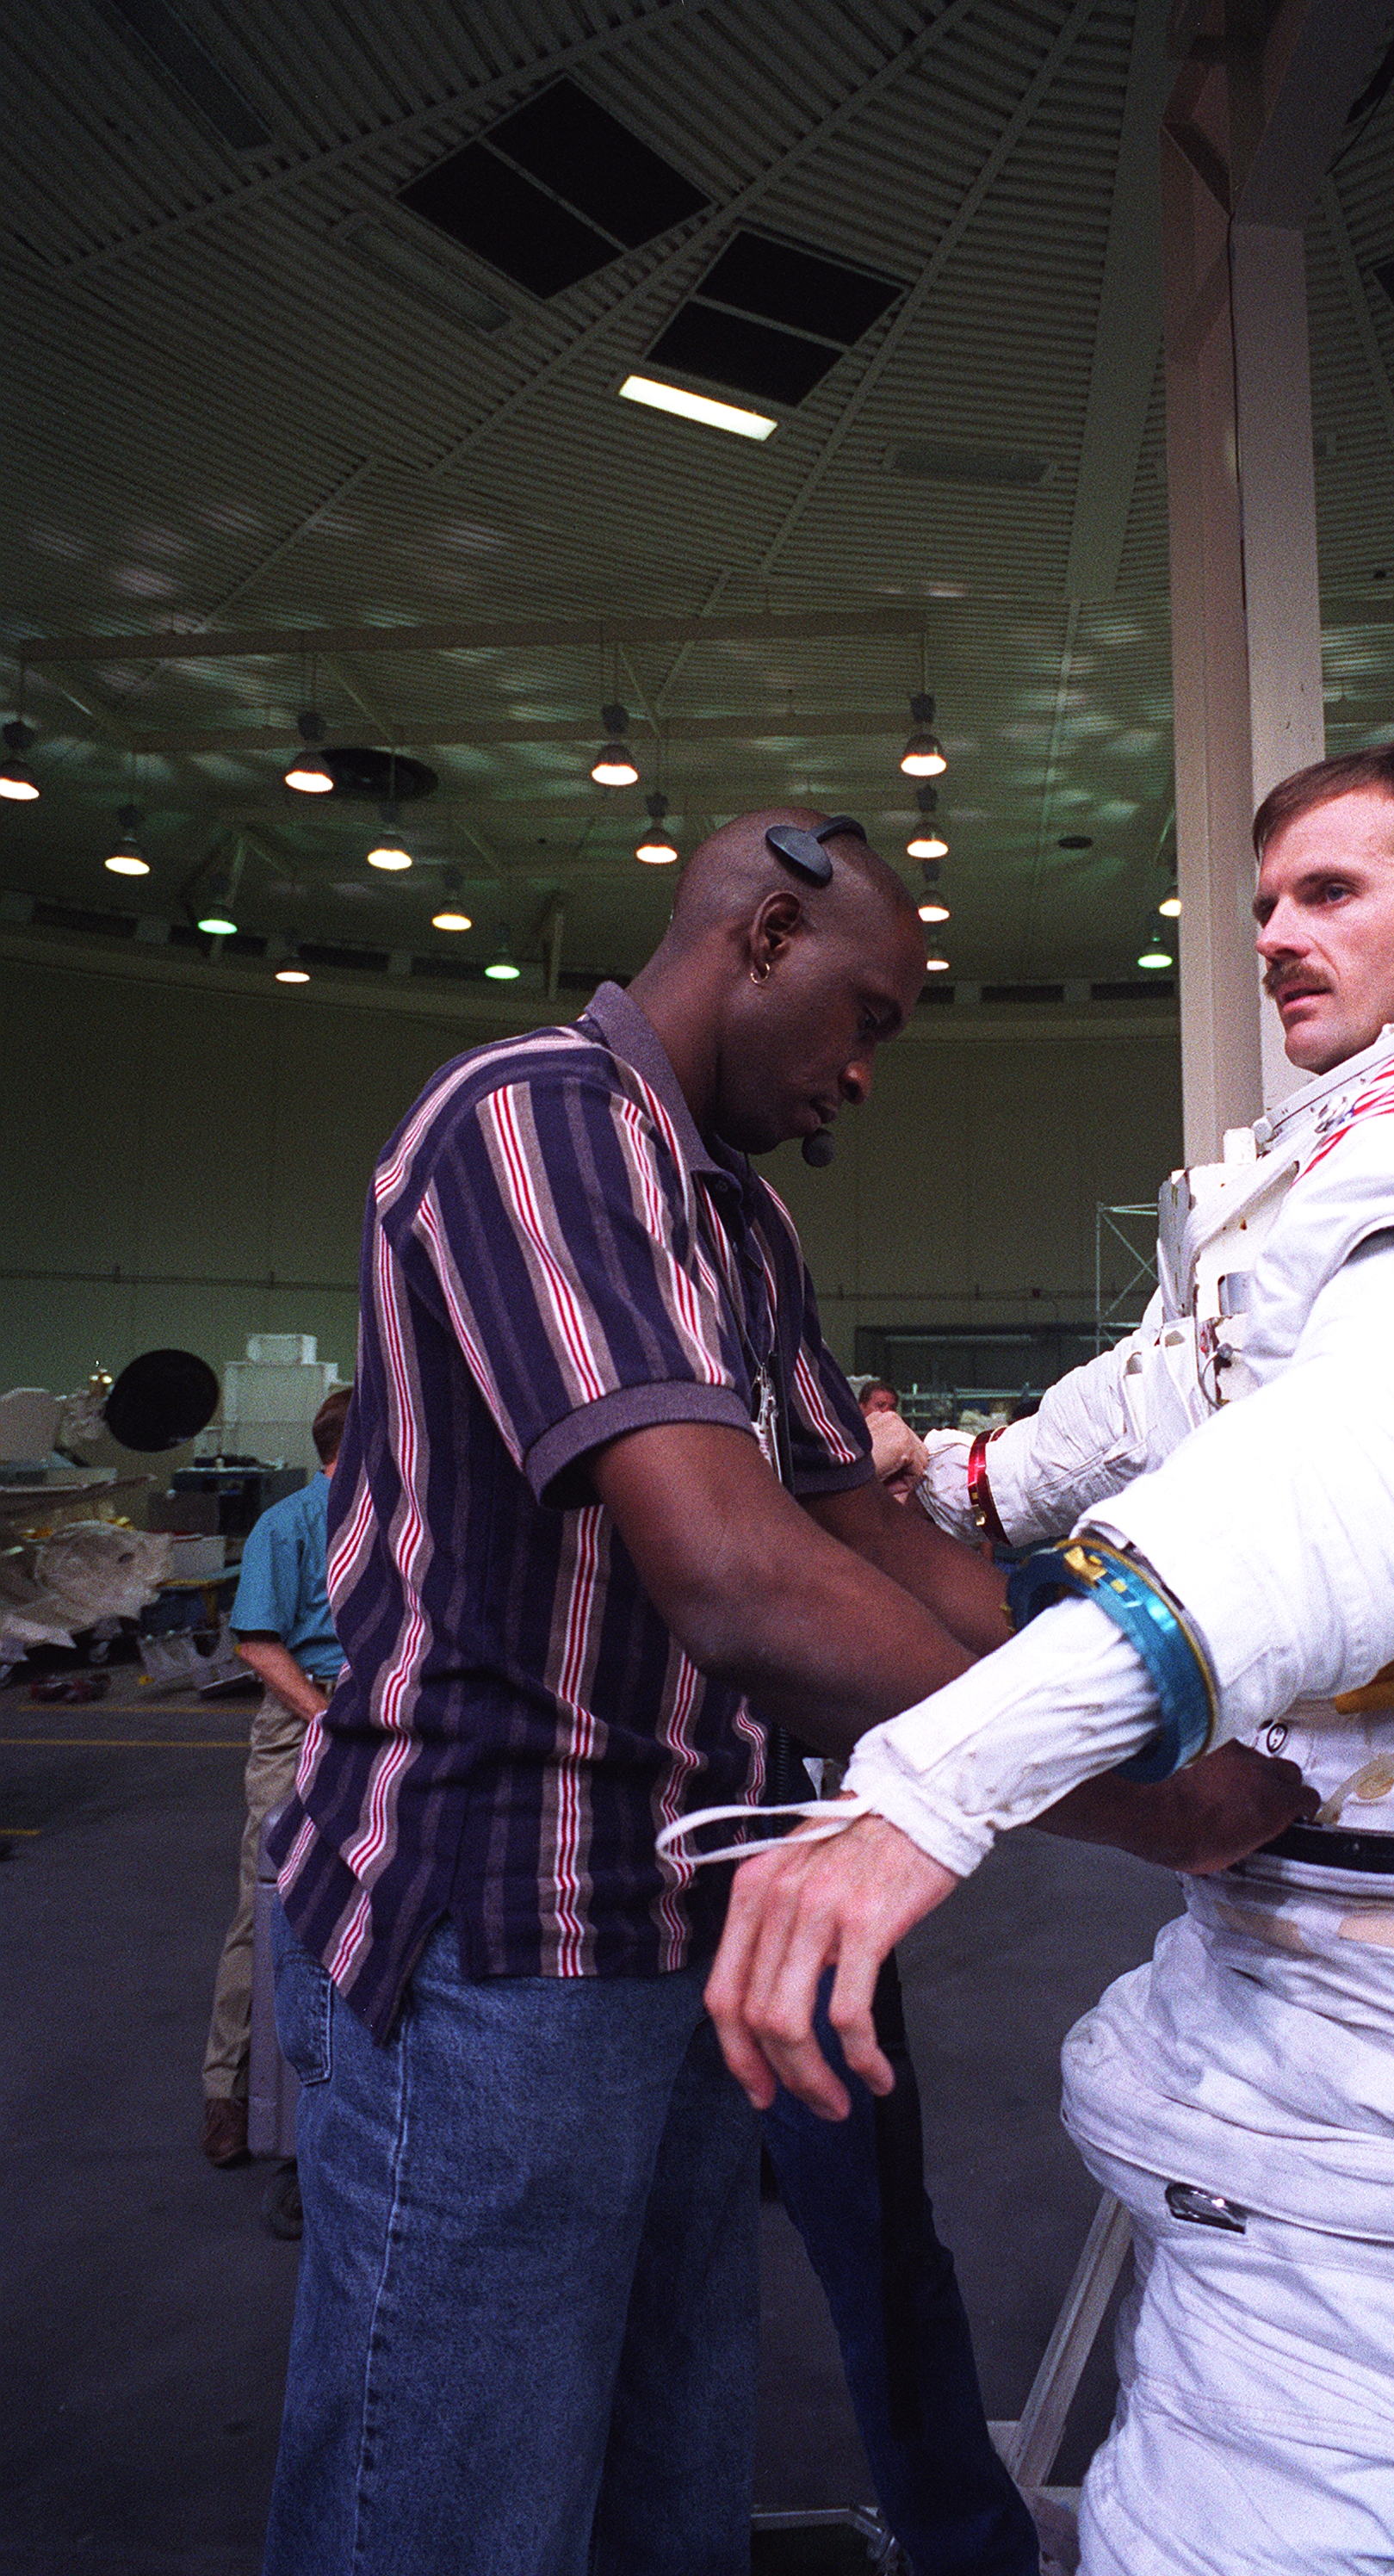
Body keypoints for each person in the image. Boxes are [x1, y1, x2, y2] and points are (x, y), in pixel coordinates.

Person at [260, 808, 1307, 2576]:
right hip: (496, 1940)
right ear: (761, 938)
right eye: (866, 1018)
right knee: (457, 2508)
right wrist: (1155, 1810)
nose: (865, 1076)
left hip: (681, 1922)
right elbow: (743, 1585)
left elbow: (880, 1545)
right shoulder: (534, 1119)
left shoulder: (734, 1218)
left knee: (670, 2485)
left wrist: (1157, 1685)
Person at [703, 746, 1394, 2576]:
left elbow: (1359, 1462)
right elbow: (1179, 1385)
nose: (1276, 936)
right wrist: (964, 1479)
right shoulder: (1354, 1137)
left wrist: (936, 1787)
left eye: (1331, 893)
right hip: (1334, 1934)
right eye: (1261, 905)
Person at [200, 1384, 350, 2167]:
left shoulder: (396, 1521)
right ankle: (228, 2089)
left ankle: (342, 2086)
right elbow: (258, 1642)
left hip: (379, 1715)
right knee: (266, 1900)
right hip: (305, 1716)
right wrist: (324, 1716)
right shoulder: (287, 1525)